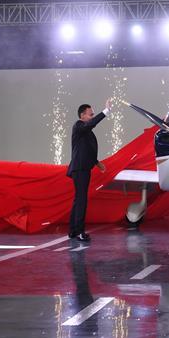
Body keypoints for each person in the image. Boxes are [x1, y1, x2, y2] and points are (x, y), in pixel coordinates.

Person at [67, 99, 111, 241]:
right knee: (81, 200)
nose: (92, 117)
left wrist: (97, 163)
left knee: (79, 199)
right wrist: (105, 111)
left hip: (82, 168)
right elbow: (91, 124)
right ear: (82, 116)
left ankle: (73, 230)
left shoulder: (86, 132)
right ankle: (80, 232)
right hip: (80, 169)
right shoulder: (79, 126)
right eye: (90, 114)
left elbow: (87, 150)